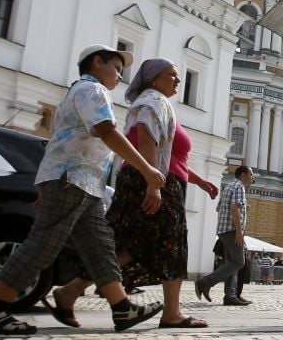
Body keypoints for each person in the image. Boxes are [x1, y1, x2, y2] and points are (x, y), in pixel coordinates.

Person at [0, 44, 165, 334]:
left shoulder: (79, 92)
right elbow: (107, 131)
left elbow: (62, 141)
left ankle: (122, 308)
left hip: (83, 182)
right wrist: (146, 169)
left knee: (100, 247)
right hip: (72, 179)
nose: (119, 77)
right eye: (116, 69)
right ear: (97, 62)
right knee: (43, 244)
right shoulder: (92, 90)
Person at [50, 72, 221, 331]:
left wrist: (199, 181)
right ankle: (172, 313)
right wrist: (153, 184)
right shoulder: (153, 102)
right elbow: (146, 140)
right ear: (153, 78)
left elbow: (173, 157)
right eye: (172, 75)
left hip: (151, 178)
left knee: (130, 244)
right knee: (171, 243)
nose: (178, 80)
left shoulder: (156, 103)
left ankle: (70, 292)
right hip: (153, 180)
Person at [196, 166, 255, 306]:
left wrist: (243, 209)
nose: (253, 178)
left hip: (223, 230)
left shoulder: (228, 186)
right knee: (239, 262)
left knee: (232, 262)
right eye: (251, 174)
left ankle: (230, 295)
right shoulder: (239, 187)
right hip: (232, 230)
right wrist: (239, 232)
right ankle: (205, 281)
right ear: (243, 174)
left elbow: (219, 208)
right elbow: (234, 209)